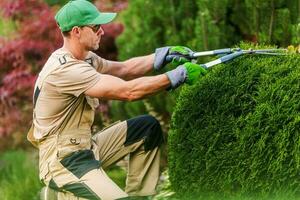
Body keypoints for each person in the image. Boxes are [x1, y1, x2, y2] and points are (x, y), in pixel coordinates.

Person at [27, 0, 207, 199]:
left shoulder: (85, 58)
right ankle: (60, 191)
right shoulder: (65, 70)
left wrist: (163, 55)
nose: (101, 31)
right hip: (63, 160)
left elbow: (124, 69)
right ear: (77, 31)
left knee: (146, 129)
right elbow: (128, 92)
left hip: (86, 147)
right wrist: (176, 76)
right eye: (96, 27)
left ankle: (139, 195)